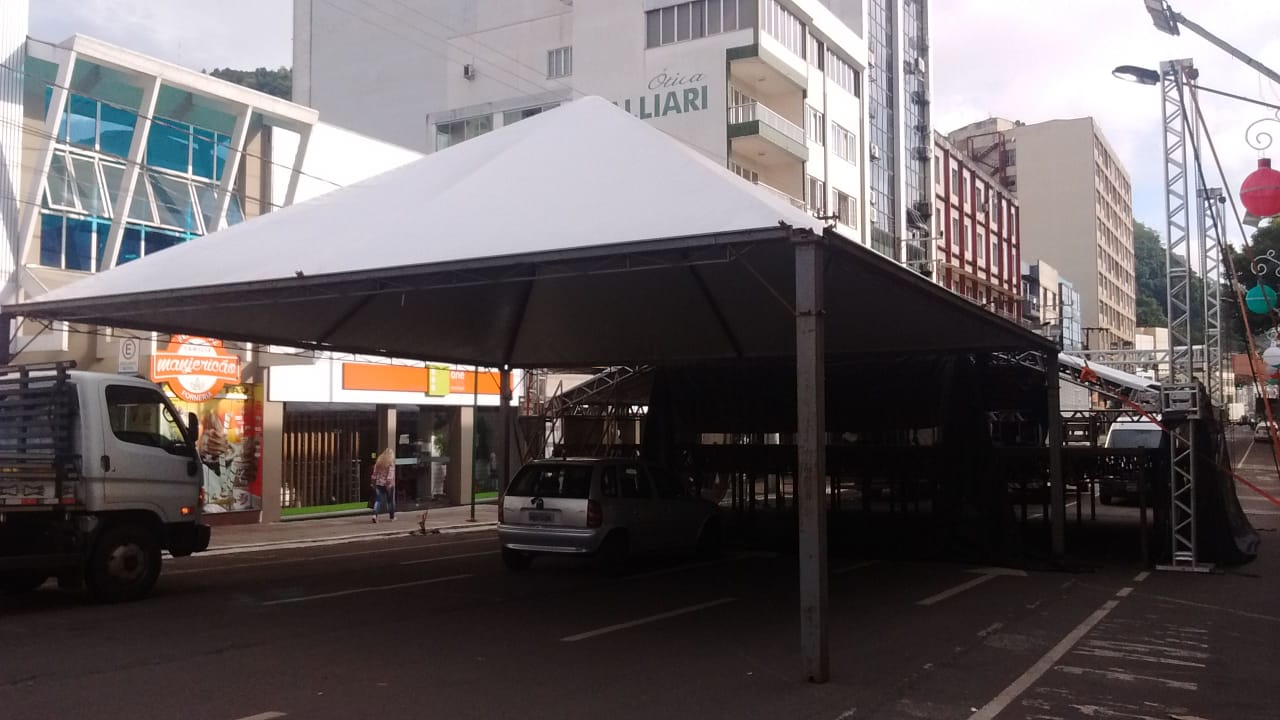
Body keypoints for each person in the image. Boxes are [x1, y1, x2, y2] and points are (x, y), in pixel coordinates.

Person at [371, 448, 396, 523]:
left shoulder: (378, 463)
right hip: (388, 485)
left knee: (378, 500)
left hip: (379, 483)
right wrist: (388, 484)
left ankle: (374, 515)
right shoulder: (390, 463)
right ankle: (392, 517)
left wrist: (373, 483)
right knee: (390, 501)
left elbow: (374, 474)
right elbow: (390, 476)